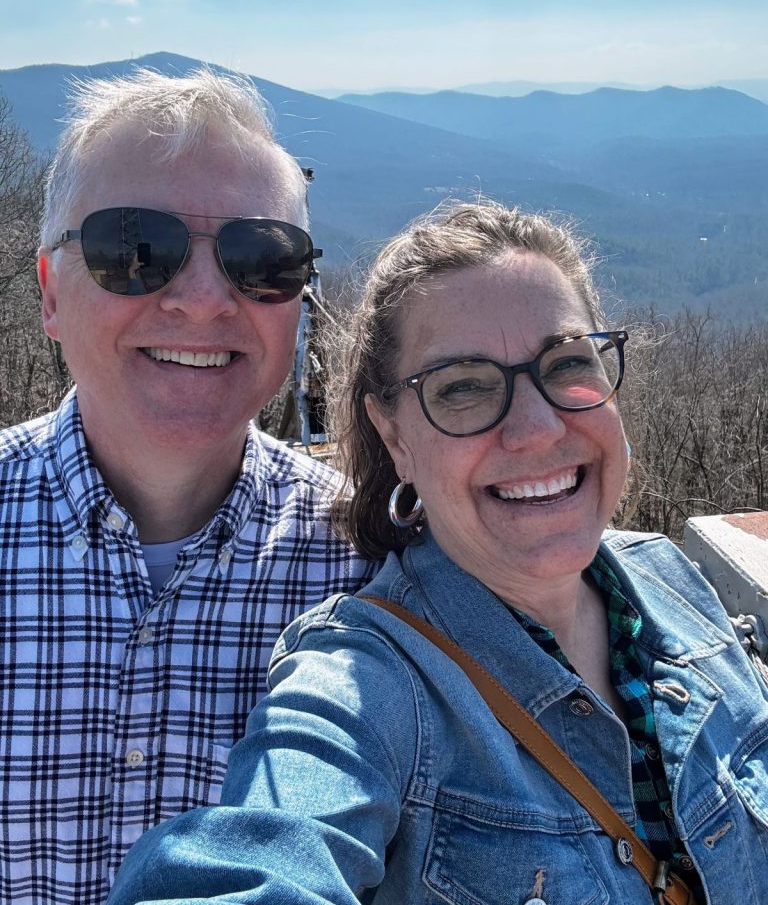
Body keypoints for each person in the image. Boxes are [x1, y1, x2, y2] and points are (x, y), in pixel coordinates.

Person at [108, 200, 768, 905]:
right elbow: (270, 852)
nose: (538, 428)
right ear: (394, 436)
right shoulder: (370, 686)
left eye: (567, 362)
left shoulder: (669, 576)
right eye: (462, 387)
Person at [0, 68, 377, 905]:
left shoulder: (378, 573)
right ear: (51, 293)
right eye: (135, 249)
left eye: (261, 260)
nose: (205, 301)